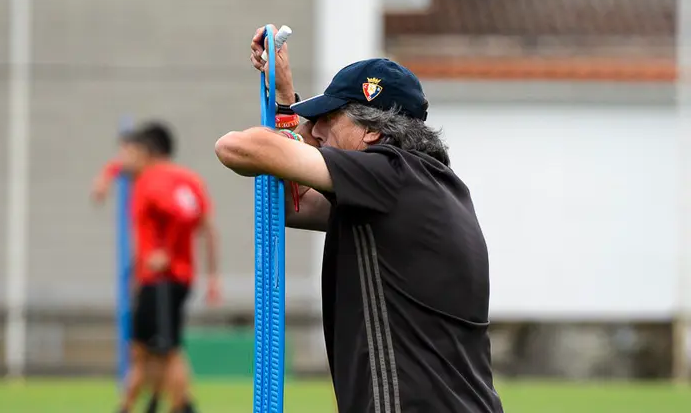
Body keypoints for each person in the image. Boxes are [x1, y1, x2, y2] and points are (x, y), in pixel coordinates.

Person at [214, 25, 504, 413]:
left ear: (370, 132)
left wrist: (285, 125)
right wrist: (284, 98)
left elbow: (237, 148)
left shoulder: (389, 174)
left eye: (328, 119)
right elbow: (288, 202)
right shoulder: (421, 187)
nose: (315, 131)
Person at [92, 122, 220, 413]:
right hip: (175, 277)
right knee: (146, 349)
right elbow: (207, 226)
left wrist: (166, 252)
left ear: (144, 151)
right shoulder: (187, 178)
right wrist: (106, 177)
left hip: (161, 278)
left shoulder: (152, 180)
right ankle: (145, 404)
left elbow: (183, 213)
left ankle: (180, 406)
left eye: (127, 152)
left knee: (164, 350)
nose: (122, 160)